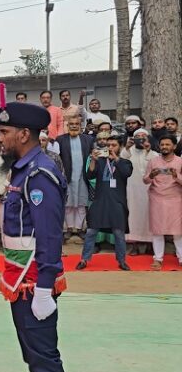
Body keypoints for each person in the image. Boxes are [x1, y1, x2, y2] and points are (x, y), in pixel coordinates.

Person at [0, 102, 68, 372]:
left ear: (24, 134)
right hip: (20, 279)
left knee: (44, 361)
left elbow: (49, 236)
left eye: (4, 132)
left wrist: (44, 289)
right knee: (35, 358)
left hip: (34, 281)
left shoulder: (39, 174)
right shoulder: (22, 170)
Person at [75, 136, 132, 271]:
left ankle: (121, 260)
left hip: (117, 203)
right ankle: (84, 259)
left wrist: (116, 159)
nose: (111, 148)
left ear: (120, 147)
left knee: (118, 232)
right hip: (99, 201)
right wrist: (93, 161)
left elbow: (126, 173)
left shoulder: (125, 162)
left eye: (114, 145)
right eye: (108, 145)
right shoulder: (100, 161)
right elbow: (89, 176)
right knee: (90, 232)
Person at [144, 135, 182, 270]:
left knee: (178, 231)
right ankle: (158, 259)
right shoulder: (153, 161)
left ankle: (181, 258)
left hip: (175, 199)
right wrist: (151, 175)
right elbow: (145, 180)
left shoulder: (180, 162)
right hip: (157, 199)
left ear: (174, 146)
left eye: (167, 144)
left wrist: (176, 176)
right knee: (157, 230)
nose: (164, 147)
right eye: (162, 145)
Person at [55, 116, 93, 241]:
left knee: (82, 204)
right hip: (68, 176)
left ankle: (80, 228)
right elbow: (57, 159)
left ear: (80, 125)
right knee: (68, 204)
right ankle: (70, 228)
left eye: (76, 124)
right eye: (71, 124)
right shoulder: (60, 140)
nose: (74, 126)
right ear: (67, 125)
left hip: (83, 176)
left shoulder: (88, 139)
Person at [120, 128, 157, 255]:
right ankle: (134, 245)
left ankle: (150, 244)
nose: (141, 138)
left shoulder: (153, 153)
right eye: (138, 136)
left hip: (149, 190)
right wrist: (126, 147)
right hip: (132, 189)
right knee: (133, 216)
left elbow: (156, 164)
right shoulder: (128, 151)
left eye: (143, 136)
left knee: (149, 216)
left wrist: (148, 150)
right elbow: (120, 161)